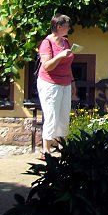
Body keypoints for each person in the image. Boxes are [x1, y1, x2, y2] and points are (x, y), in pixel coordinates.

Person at [36, 14, 77, 156]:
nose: (69, 28)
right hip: (50, 83)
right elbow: (46, 66)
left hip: (65, 82)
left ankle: (61, 147)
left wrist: (72, 82)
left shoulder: (65, 42)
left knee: (64, 115)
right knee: (51, 115)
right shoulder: (46, 43)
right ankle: (45, 149)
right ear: (59, 27)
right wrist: (60, 56)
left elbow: (68, 65)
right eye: (67, 26)